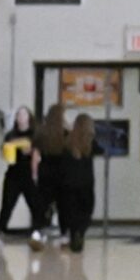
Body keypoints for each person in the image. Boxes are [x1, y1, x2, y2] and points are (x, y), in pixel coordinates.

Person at [0, 106, 45, 247]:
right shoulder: (11, 135)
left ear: (29, 117)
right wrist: (7, 150)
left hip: (29, 174)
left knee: (35, 205)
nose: (21, 118)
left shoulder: (35, 134)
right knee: (7, 204)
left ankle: (37, 231)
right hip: (14, 174)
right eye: (19, 115)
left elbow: (38, 154)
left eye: (24, 114)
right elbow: (5, 155)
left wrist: (35, 171)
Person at [59, 113, 99, 253]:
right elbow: (103, 149)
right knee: (86, 212)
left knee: (71, 212)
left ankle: (73, 233)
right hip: (86, 184)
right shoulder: (90, 143)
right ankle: (80, 233)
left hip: (68, 184)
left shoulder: (67, 142)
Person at [33, 103, 69, 251]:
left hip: (45, 169)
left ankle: (38, 234)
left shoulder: (41, 131)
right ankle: (65, 235)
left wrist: (34, 172)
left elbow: (35, 153)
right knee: (63, 204)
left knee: (42, 203)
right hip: (61, 170)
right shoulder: (66, 132)